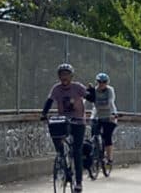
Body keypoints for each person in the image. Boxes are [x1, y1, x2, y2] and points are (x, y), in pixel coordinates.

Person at [41, 63, 94, 193]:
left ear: (71, 76)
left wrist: (92, 93)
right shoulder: (56, 89)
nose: (64, 77)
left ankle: (79, 183)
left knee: (76, 150)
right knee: (56, 133)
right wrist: (43, 113)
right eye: (61, 75)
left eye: (66, 75)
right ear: (59, 76)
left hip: (78, 121)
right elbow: (49, 101)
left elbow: (90, 98)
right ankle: (60, 157)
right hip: (64, 121)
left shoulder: (77, 87)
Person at [86, 73, 118, 167]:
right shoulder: (94, 90)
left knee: (107, 137)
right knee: (94, 135)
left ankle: (109, 159)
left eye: (104, 82)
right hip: (96, 116)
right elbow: (87, 101)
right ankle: (95, 155)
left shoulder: (109, 90)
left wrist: (113, 115)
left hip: (109, 115)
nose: (101, 84)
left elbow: (110, 103)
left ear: (107, 82)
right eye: (99, 82)